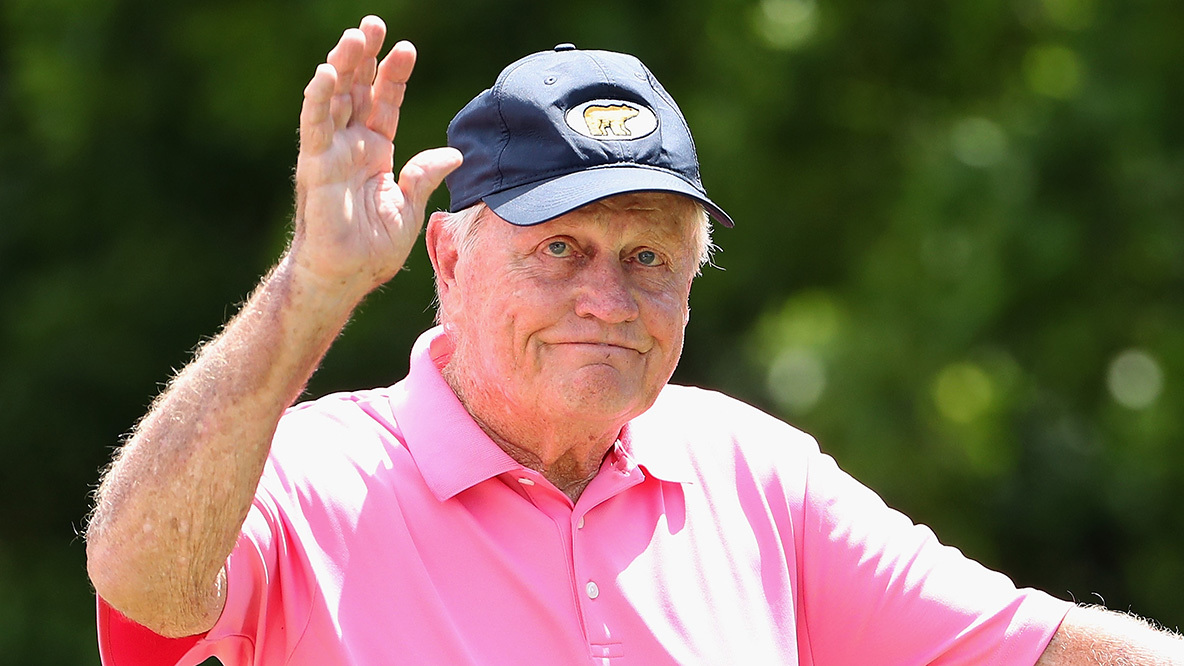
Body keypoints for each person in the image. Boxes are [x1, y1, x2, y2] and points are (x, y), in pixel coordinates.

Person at [85, 15, 1183, 666]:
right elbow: (141, 599)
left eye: (649, 255)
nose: (608, 299)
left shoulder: (749, 472)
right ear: (450, 259)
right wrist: (311, 291)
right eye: (560, 249)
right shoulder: (317, 474)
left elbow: (1032, 649)